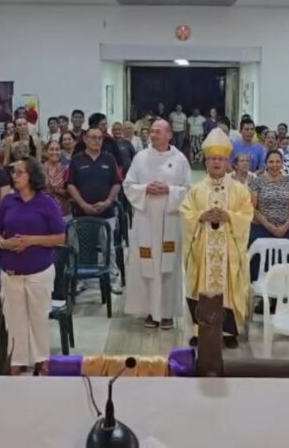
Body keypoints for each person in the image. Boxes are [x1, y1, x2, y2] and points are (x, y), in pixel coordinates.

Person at [181, 128, 254, 349]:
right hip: (203, 248)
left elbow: (247, 214)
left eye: (220, 159)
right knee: (201, 286)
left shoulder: (239, 190)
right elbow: (185, 213)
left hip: (229, 250)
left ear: (227, 162)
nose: (216, 162)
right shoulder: (196, 190)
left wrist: (229, 216)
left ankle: (229, 332)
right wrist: (201, 216)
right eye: (212, 158)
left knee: (229, 287)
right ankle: (200, 330)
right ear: (206, 162)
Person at [0, 158, 65, 375]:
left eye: (19, 172)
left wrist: (31, 240)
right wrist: (2, 242)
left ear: (31, 176)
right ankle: (17, 359)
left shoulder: (46, 203)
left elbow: (60, 237)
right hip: (11, 269)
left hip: (39, 270)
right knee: (14, 317)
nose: (14, 176)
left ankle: (41, 358)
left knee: (38, 316)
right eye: (13, 172)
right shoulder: (8, 201)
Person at [123, 120, 191, 329]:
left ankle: (167, 312)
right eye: (151, 131)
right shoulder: (140, 157)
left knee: (168, 266)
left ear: (169, 135)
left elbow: (189, 189)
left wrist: (169, 190)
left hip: (170, 218)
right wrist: (145, 189)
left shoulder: (179, 159)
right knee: (147, 263)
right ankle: (150, 311)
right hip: (146, 218)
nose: (153, 135)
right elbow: (128, 185)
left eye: (157, 131)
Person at [66, 124, 123, 287]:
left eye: (99, 138)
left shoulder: (109, 158)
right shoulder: (76, 159)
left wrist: (107, 202)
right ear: (85, 139)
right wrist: (82, 204)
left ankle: (113, 278)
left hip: (106, 212)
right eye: (93, 137)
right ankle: (81, 280)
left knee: (108, 247)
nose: (96, 141)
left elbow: (117, 183)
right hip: (82, 212)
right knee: (82, 247)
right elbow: (70, 185)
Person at [250, 150, 289, 245]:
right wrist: (269, 226)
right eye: (271, 162)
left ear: (282, 164)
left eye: (278, 162)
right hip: (262, 229)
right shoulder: (257, 182)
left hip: (285, 230)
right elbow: (253, 208)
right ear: (266, 164)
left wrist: (284, 227)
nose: (274, 165)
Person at [43, 140, 71, 222]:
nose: (54, 152)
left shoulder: (66, 169)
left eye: (57, 149)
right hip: (44, 214)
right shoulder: (39, 169)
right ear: (46, 151)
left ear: (61, 152)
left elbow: (70, 194)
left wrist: (55, 189)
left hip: (63, 214)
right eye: (51, 149)